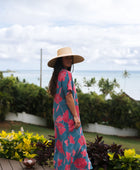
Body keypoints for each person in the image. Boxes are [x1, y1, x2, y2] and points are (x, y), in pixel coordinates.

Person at [48, 47, 93, 170]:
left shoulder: (57, 76)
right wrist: (76, 116)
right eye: (66, 57)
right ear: (60, 60)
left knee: (63, 148)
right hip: (68, 120)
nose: (69, 60)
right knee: (77, 146)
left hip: (59, 120)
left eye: (70, 58)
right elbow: (68, 96)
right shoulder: (66, 74)